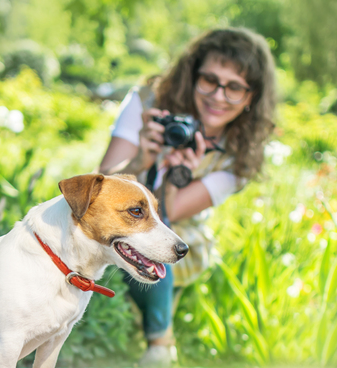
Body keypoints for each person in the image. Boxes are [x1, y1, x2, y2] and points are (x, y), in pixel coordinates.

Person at [99, 27, 276, 367]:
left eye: (234, 87)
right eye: (209, 80)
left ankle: (156, 339)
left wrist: (177, 176)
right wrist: (140, 162)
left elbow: (173, 213)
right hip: (124, 219)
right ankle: (156, 337)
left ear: (252, 96)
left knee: (156, 241)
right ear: (192, 76)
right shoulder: (148, 102)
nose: (218, 96)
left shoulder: (239, 157)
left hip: (181, 234)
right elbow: (103, 186)